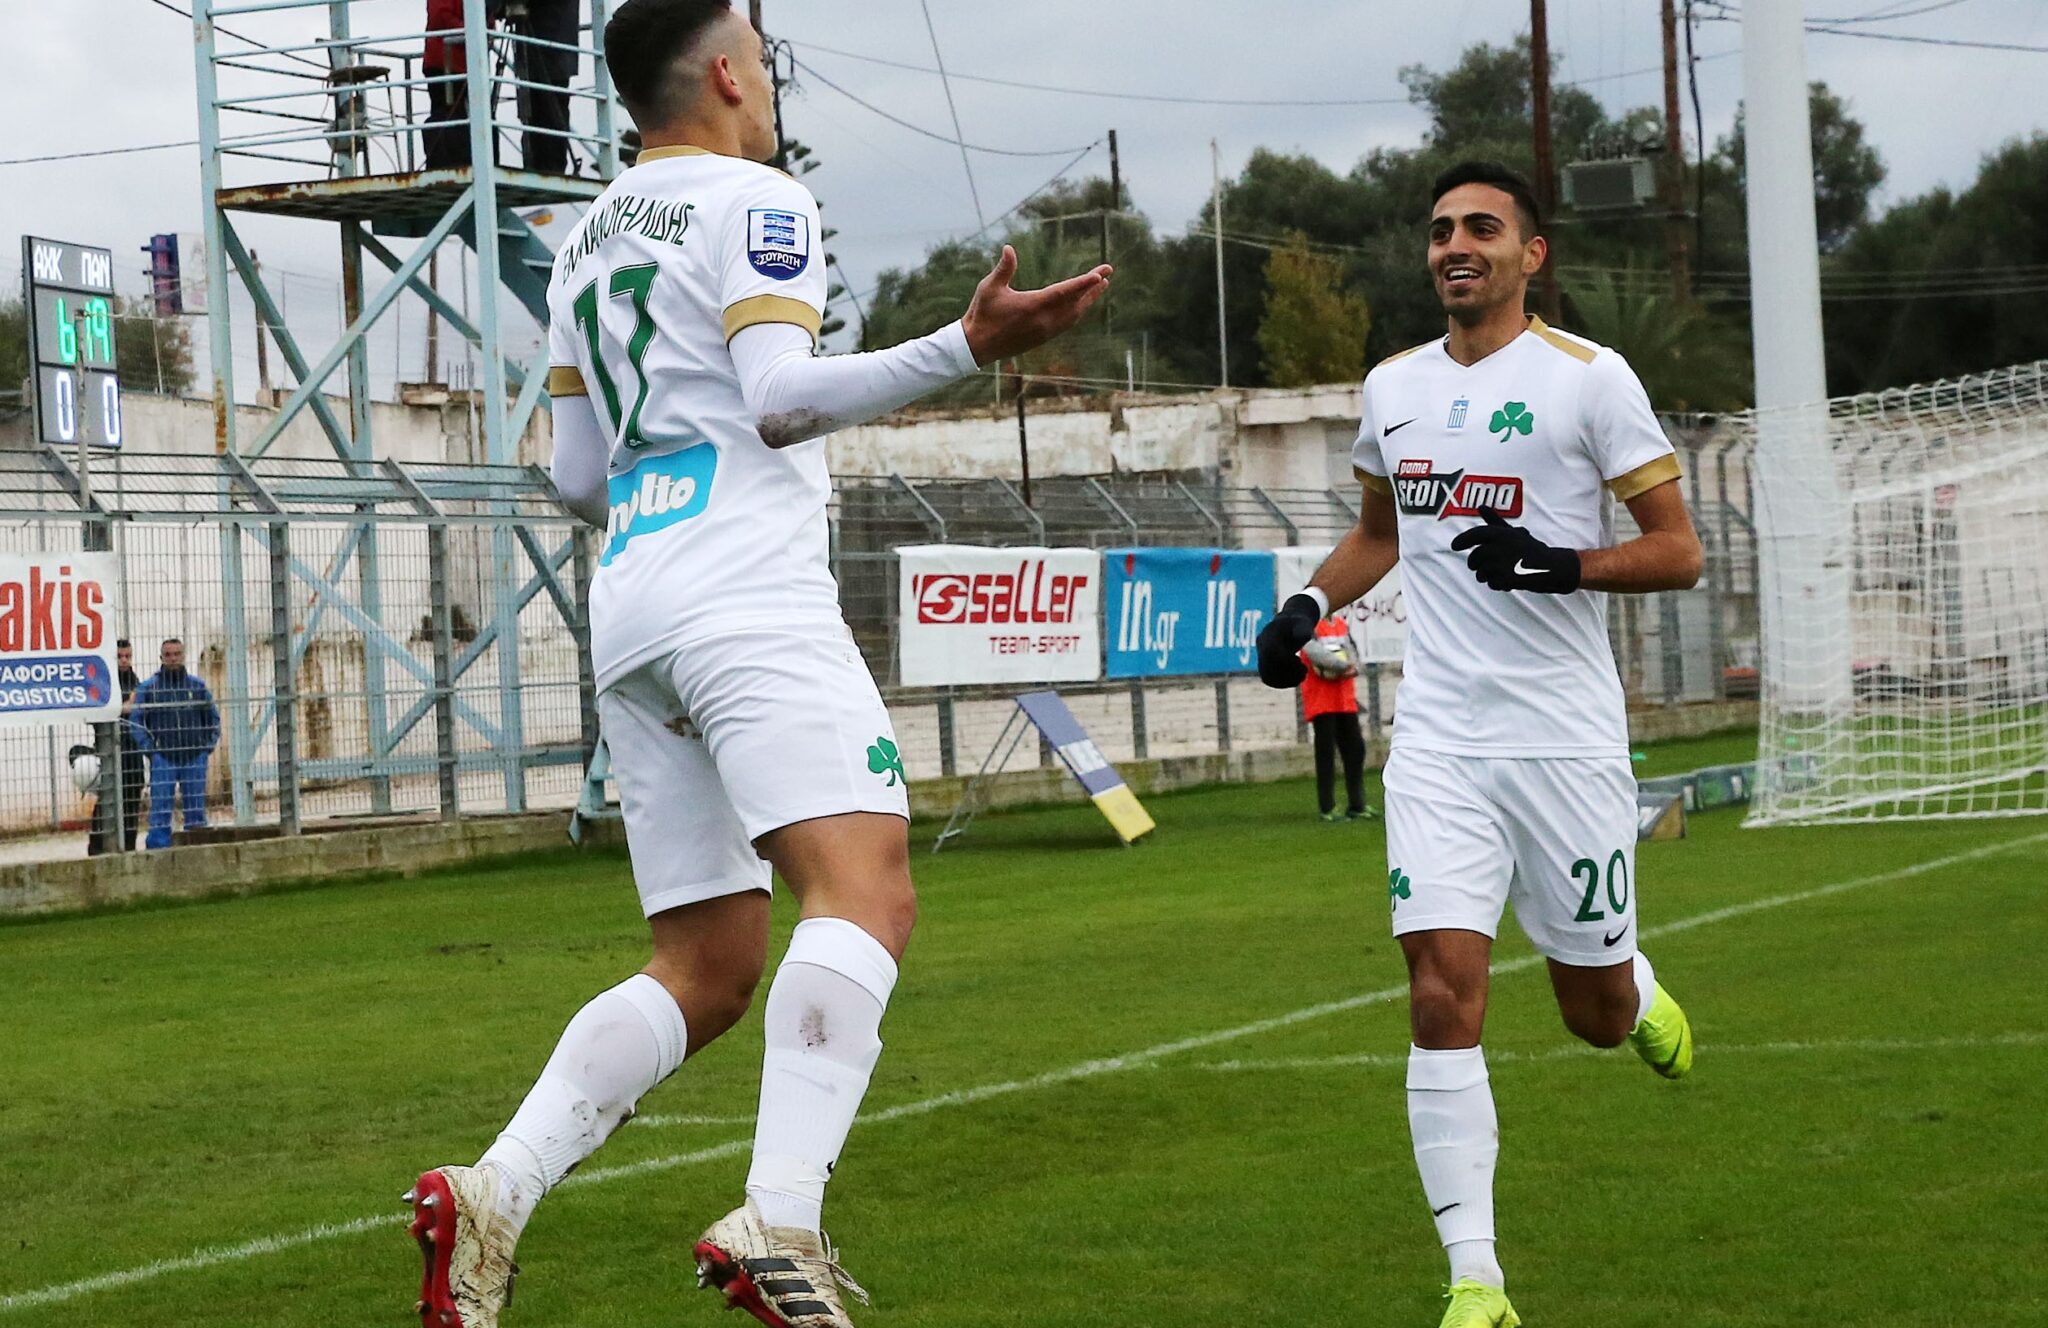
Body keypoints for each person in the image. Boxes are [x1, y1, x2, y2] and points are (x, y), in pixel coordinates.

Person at [400, 4, 1111, 1327]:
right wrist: (966, 347)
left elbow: (573, 475)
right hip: (742, 589)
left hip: (633, 604)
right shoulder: (757, 199)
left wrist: (669, 485)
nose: (772, 84)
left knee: (709, 961)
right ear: (727, 72)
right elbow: (780, 398)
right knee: (866, 890)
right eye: (764, 60)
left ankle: (493, 1190)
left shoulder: (581, 241)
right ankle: (781, 1218)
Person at [1255, 160, 1703, 1328]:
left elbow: (1678, 550)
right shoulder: (1392, 386)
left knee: (1589, 1013)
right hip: (1440, 740)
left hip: (1562, 742)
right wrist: (1305, 606)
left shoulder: (1588, 379)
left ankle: (1632, 984)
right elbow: (1378, 532)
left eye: (1482, 228)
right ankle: (1475, 1278)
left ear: (1529, 255)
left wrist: (1557, 563)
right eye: (1441, 229)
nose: (1455, 244)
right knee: (1438, 991)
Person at [134, 638, 220, 850]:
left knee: (196, 810)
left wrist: (205, 747)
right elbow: (136, 722)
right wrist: (150, 750)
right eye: (168, 655)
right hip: (163, 758)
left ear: (183, 656)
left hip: (194, 756)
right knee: (160, 810)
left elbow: (213, 719)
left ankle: (197, 851)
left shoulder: (197, 687)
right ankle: (158, 853)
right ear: (161, 658)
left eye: (177, 654)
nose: (173, 658)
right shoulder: (149, 688)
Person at [1300, 617, 1370, 822]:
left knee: (1355, 750)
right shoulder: (1308, 626)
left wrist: (1355, 667)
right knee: (1326, 754)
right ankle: (1327, 807)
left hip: (1345, 698)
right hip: (1321, 699)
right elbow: (1314, 652)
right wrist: (1342, 666)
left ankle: (1357, 805)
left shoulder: (1341, 624)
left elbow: (1353, 649)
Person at [86, 639, 149, 855]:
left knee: (131, 802)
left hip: (132, 751)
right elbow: (98, 712)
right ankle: (97, 848)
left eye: (127, 656)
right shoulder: (104, 681)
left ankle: (128, 846)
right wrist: (122, 708)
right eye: (120, 656)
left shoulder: (135, 682)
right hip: (110, 751)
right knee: (107, 802)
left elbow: (139, 710)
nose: (124, 661)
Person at [508, 0, 579, 173]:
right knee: (543, 112)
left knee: (547, 113)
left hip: (548, 45)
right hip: (551, 45)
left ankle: (548, 166)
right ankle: (545, 165)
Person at [422, 0, 476, 169]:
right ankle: (449, 164)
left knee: (461, 116)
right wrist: (473, 29)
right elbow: (440, 17)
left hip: (462, 64)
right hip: (445, 63)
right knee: (449, 114)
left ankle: (457, 162)